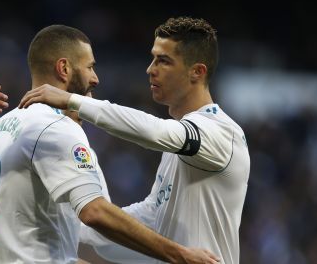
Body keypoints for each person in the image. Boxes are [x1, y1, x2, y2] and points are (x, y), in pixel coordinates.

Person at [0, 24, 220, 264]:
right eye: (89, 67)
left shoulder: (0, 127)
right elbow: (95, 213)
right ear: (64, 69)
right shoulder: (56, 127)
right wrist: (179, 255)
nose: (96, 78)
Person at [19, 17, 250, 264]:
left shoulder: (222, 132)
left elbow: (156, 132)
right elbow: (153, 217)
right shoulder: (179, 145)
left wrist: (73, 101)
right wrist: (74, 225)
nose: (150, 69)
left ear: (197, 71)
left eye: (163, 61)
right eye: (153, 58)